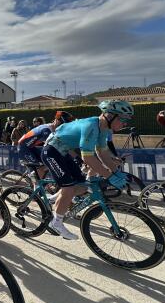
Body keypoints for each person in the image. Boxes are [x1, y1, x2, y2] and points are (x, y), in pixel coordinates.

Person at [42, 100, 133, 240]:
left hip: (64, 151)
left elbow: (103, 154)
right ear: (109, 116)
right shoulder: (91, 125)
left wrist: (116, 172)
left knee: (82, 186)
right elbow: (88, 158)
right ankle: (56, 222)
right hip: (52, 151)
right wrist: (110, 176)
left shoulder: (104, 129)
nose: (125, 124)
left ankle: (55, 199)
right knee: (69, 189)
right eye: (123, 119)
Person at [18, 111, 74, 183]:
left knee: (46, 163)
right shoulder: (47, 130)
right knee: (40, 168)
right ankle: (37, 187)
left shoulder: (52, 127)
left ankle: (37, 179)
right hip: (24, 147)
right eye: (62, 124)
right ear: (56, 121)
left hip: (31, 147)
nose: (63, 127)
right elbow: (54, 146)